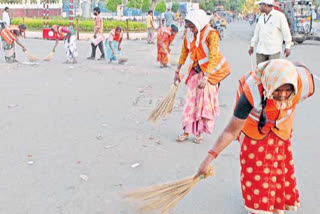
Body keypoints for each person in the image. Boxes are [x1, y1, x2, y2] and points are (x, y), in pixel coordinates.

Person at [197, 59, 315, 214]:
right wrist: (208, 160)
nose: (283, 95)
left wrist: (289, 64)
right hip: (254, 128)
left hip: (281, 127)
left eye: (288, 90)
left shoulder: (303, 84)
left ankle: (276, 204)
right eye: (277, 90)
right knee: (256, 172)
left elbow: (301, 66)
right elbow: (230, 132)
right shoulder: (251, 91)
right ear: (268, 85)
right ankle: (257, 208)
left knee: (279, 165)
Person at [174, 10, 231, 143]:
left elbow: (213, 56)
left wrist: (206, 77)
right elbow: (184, 51)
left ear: (199, 23)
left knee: (203, 104)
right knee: (190, 103)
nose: (191, 29)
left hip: (210, 74)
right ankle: (186, 131)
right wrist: (177, 69)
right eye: (188, 26)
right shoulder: (189, 33)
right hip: (195, 71)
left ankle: (199, 133)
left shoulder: (211, 34)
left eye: (192, 26)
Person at [248, 0, 292, 65]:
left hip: (274, 51)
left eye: (260, 5)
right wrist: (252, 45)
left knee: (272, 73)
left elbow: (286, 31)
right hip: (261, 50)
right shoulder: (261, 17)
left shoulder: (279, 16)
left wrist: (288, 46)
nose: (259, 7)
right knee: (260, 73)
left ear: (265, 6)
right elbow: (256, 33)